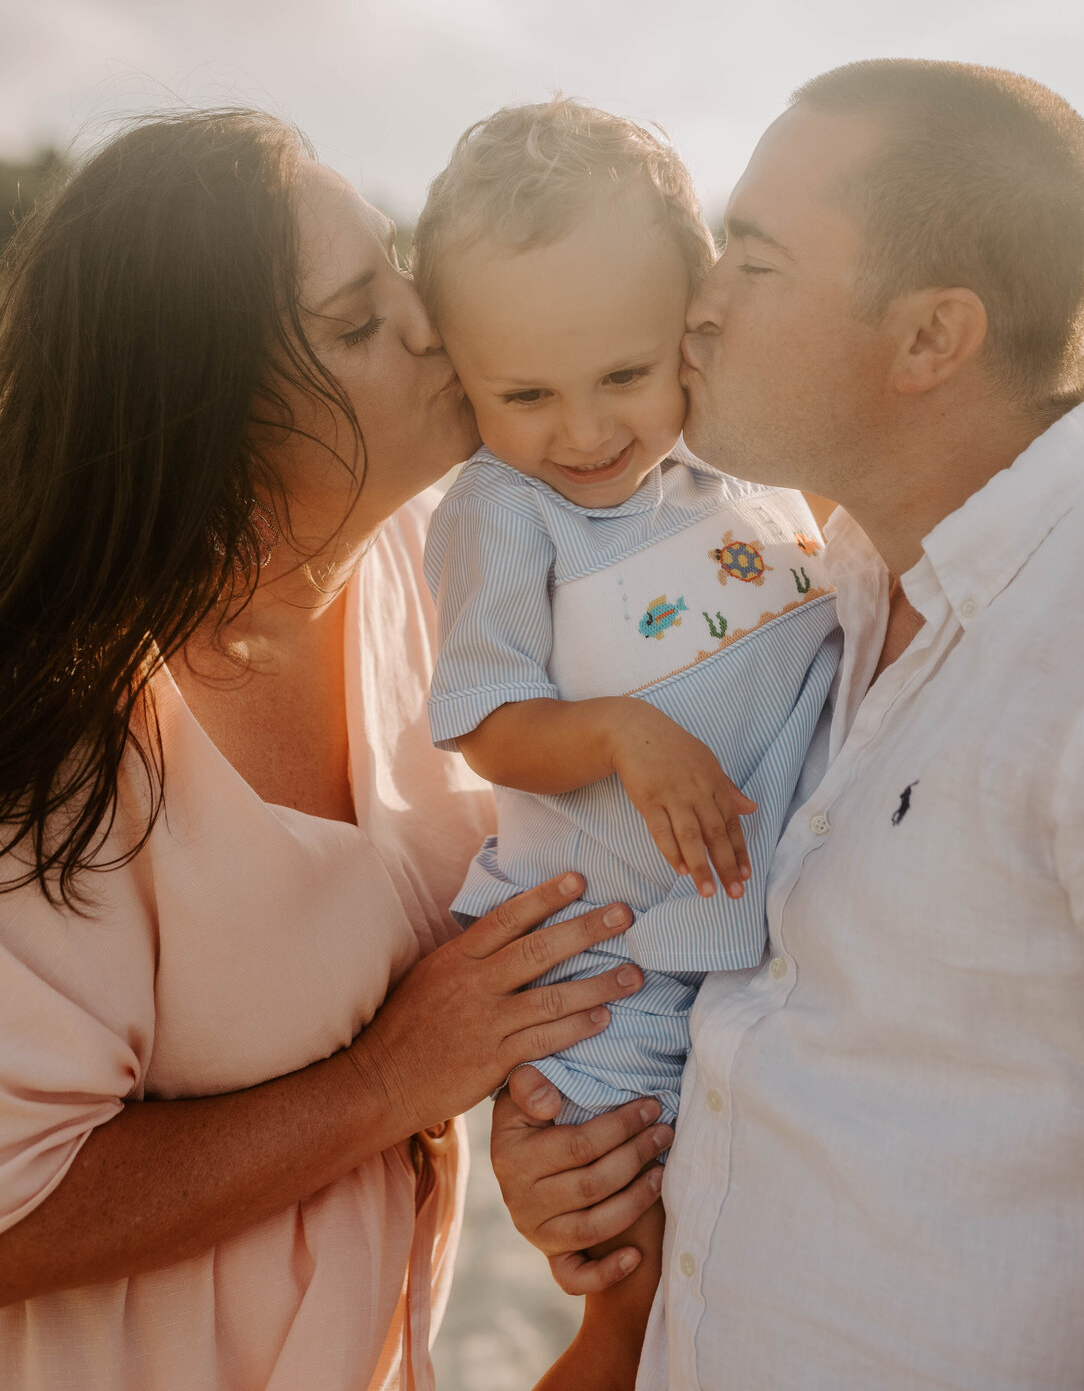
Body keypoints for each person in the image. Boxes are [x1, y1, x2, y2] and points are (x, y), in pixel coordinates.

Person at [493, 58, 1084, 1390]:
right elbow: (809, 1027)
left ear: (931, 338)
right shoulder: (833, 580)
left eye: (750, 262)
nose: (693, 304)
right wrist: (595, 1155)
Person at [0, 109, 647, 1391]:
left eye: (396, 264)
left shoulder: (448, 566)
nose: (424, 320)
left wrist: (530, 1105)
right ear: (217, 427)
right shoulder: (60, 727)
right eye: (355, 322)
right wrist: (389, 1083)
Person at [410, 99, 838, 1362]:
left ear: (690, 323)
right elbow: (485, 720)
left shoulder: (742, 461)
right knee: (632, 1232)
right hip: (620, 945)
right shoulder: (505, 510)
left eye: (624, 377)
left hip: (770, 922)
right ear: (461, 372)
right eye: (524, 392)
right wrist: (615, 733)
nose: (585, 432)